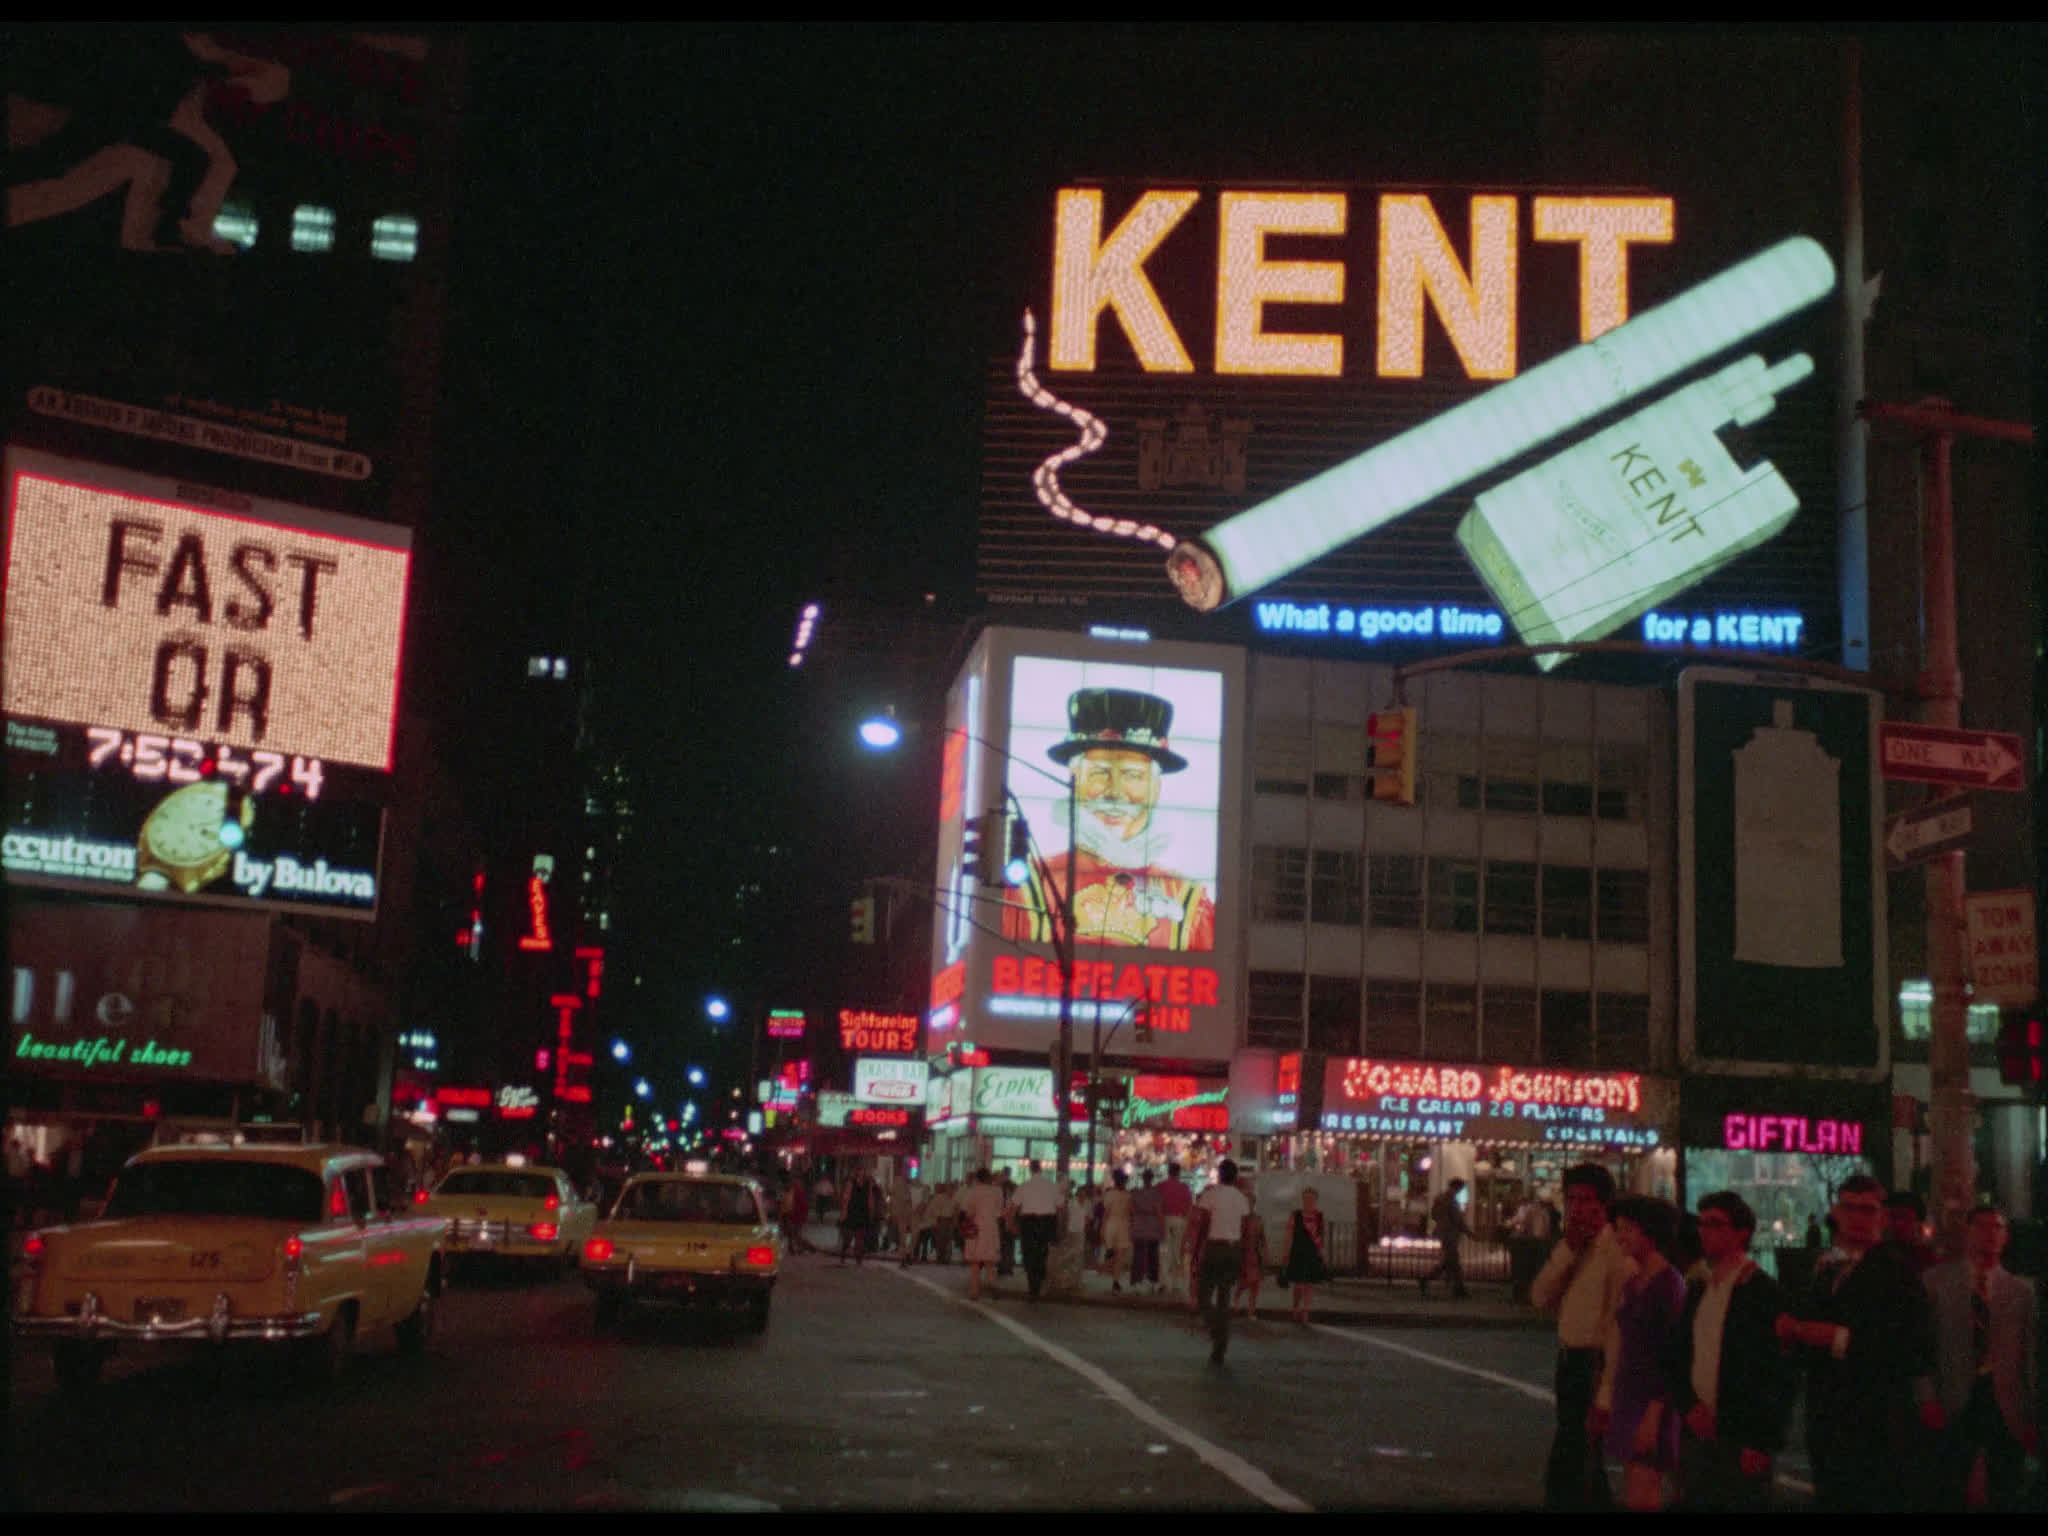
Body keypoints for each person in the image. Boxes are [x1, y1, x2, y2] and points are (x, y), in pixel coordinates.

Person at [1000, 687, 1216, 951]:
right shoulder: (1028, 888)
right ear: (1075, 779)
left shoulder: (1189, 901)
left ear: (1156, 788)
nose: (1114, 792)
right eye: (1100, 773)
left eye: (1133, 775)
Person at [1773, 1174, 1938, 1512]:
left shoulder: (1898, 1275)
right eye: (1850, 1208)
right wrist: (1793, 1337)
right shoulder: (1826, 1270)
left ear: (1881, 1216)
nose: (1858, 1218)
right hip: (1826, 1422)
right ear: (1836, 1212)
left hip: (1877, 1427)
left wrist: (1836, 1338)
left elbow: (1914, 1350)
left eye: (1868, 1209)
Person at [1671, 1191, 1796, 1511]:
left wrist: (1761, 1441)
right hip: (1697, 1431)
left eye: (1716, 1224)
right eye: (1702, 1223)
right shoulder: (1699, 1288)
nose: (1705, 1230)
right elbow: (1680, 1355)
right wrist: (1689, 1405)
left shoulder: (1763, 1292)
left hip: (1740, 1437)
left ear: (1742, 1233)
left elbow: (1778, 1373)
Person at [1924, 1204, 2039, 1509]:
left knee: (2006, 1485)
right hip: (1954, 1394)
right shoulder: (1935, 1283)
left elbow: (2028, 1355)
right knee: (1948, 1484)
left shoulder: (2022, 1291)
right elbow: (1923, 1346)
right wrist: (1926, 1396)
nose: (1990, 1234)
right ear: (1968, 1232)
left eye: (1997, 1227)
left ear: (2006, 1237)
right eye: (1982, 1226)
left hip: (2006, 1399)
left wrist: (2032, 1414)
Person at [1532, 1162, 1631, 1510]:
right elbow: (1540, 1296)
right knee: (1573, 1454)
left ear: (1604, 1205)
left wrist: (1605, 1393)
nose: (1576, 1208)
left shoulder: (1616, 1253)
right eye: (1571, 1199)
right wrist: (1568, 1251)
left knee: (1579, 1460)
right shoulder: (1573, 1248)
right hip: (1568, 1358)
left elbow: (1617, 1327)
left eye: (1586, 1200)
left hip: (1593, 1362)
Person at [1589, 1196, 1687, 1511]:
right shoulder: (1634, 1280)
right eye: (1618, 1229)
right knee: (1635, 1486)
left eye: (1628, 1229)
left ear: (1651, 1233)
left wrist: (1654, 1413)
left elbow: (1671, 1354)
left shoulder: (1669, 1285)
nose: (1620, 1237)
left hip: (1652, 1402)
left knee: (1645, 1490)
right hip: (1629, 1393)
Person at [1194, 1159, 1251, 1364]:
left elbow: (1202, 1224)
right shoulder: (1241, 1199)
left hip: (1214, 1247)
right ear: (1235, 1177)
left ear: (1219, 1175)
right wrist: (1245, 1256)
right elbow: (1245, 1229)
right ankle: (1221, 1343)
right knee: (1224, 1299)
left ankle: (1215, 1331)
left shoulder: (1210, 1195)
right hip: (1233, 1249)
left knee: (1203, 1295)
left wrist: (1196, 1250)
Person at [1012, 1159, 1063, 1300]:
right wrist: (1058, 1226)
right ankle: (1039, 1282)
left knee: (1029, 1254)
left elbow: (1014, 1206)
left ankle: (1032, 1285)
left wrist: (1012, 1223)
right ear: (1041, 1169)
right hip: (1047, 1222)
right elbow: (1060, 1207)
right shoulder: (1051, 1186)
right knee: (1042, 1253)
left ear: (1030, 1169)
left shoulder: (1024, 1186)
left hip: (1028, 1222)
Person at [1280, 1186, 1330, 1322]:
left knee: (1309, 1284)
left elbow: (1321, 1236)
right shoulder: (1296, 1215)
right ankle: (1296, 1306)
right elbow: (1289, 1235)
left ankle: (1306, 1310)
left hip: (1312, 1252)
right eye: (1307, 1198)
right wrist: (1286, 1253)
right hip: (1298, 1251)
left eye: (1312, 1199)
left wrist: (1322, 1253)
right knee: (1298, 1285)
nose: (1309, 1201)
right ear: (1303, 1200)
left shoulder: (1319, 1216)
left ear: (1316, 1200)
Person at [958, 1167, 1006, 1302]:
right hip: (991, 1227)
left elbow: (968, 1211)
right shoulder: (997, 1191)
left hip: (976, 1227)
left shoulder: (973, 1192)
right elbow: (1000, 1211)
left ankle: (975, 1291)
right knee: (990, 1260)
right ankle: (992, 1284)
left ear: (977, 1178)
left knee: (975, 1261)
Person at [1420, 1178, 1471, 1298]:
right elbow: (1457, 1219)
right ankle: (1427, 1279)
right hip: (1450, 1234)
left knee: (1451, 1262)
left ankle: (1458, 1288)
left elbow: (1433, 1214)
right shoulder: (1451, 1200)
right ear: (1456, 1187)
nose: (1460, 1191)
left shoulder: (1440, 1198)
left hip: (1443, 1233)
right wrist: (1468, 1232)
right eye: (1460, 1188)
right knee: (1451, 1261)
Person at [1883, 1189, 1940, 1276]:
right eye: (1893, 1217)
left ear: (1919, 1223)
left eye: (1904, 1217)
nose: (1898, 1223)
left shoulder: (1928, 1261)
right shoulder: (1877, 1256)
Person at [1232, 1188, 1269, 1317]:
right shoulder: (1240, 1219)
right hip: (1243, 1254)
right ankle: (1236, 1301)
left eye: (1251, 1202)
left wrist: (1265, 1252)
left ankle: (1251, 1309)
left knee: (1255, 1284)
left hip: (1254, 1254)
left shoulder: (1258, 1219)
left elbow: (1262, 1238)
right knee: (1244, 1282)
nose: (1249, 1204)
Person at [1160, 1162, 1194, 1298]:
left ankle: (1164, 1283)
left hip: (1164, 1219)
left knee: (1164, 1251)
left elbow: (1157, 1205)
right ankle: (1175, 1283)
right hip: (1180, 1220)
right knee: (1177, 1251)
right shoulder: (1184, 1188)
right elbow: (1189, 1207)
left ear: (1168, 1172)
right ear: (1179, 1173)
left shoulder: (1161, 1187)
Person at [1129, 1167, 1164, 1292]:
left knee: (1137, 1255)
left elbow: (1131, 1211)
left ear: (1142, 1179)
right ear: (1152, 1179)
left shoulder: (1135, 1193)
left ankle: (1135, 1282)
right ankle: (1153, 1281)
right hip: (1153, 1227)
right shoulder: (1156, 1194)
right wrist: (1162, 1228)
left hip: (1138, 1226)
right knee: (1153, 1255)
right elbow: (1159, 1212)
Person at [1099, 1169, 1134, 1292]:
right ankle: (1116, 1280)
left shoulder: (1109, 1195)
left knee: (1112, 1251)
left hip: (1111, 1224)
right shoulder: (1128, 1196)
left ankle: (1109, 1267)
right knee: (1120, 1255)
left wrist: (1102, 1228)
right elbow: (1130, 1213)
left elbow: (1106, 1213)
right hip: (1123, 1225)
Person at [837, 1168, 877, 1265]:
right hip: (852, 1212)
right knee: (848, 1237)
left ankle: (858, 1257)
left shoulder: (868, 1184)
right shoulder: (851, 1183)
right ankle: (843, 1253)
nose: (861, 1174)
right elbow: (846, 1198)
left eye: (862, 1172)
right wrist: (844, 1212)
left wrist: (871, 1211)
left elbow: (870, 1198)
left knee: (860, 1238)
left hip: (863, 1213)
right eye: (859, 1171)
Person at [928, 1181, 959, 1265]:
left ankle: (947, 1257)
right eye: (949, 1189)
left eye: (952, 1189)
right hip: (941, 1220)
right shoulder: (939, 1198)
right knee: (940, 1240)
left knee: (948, 1240)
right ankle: (940, 1257)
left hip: (950, 1220)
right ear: (946, 1189)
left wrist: (955, 1221)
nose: (951, 1191)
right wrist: (936, 1220)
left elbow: (956, 1210)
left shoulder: (955, 1199)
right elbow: (932, 1209)